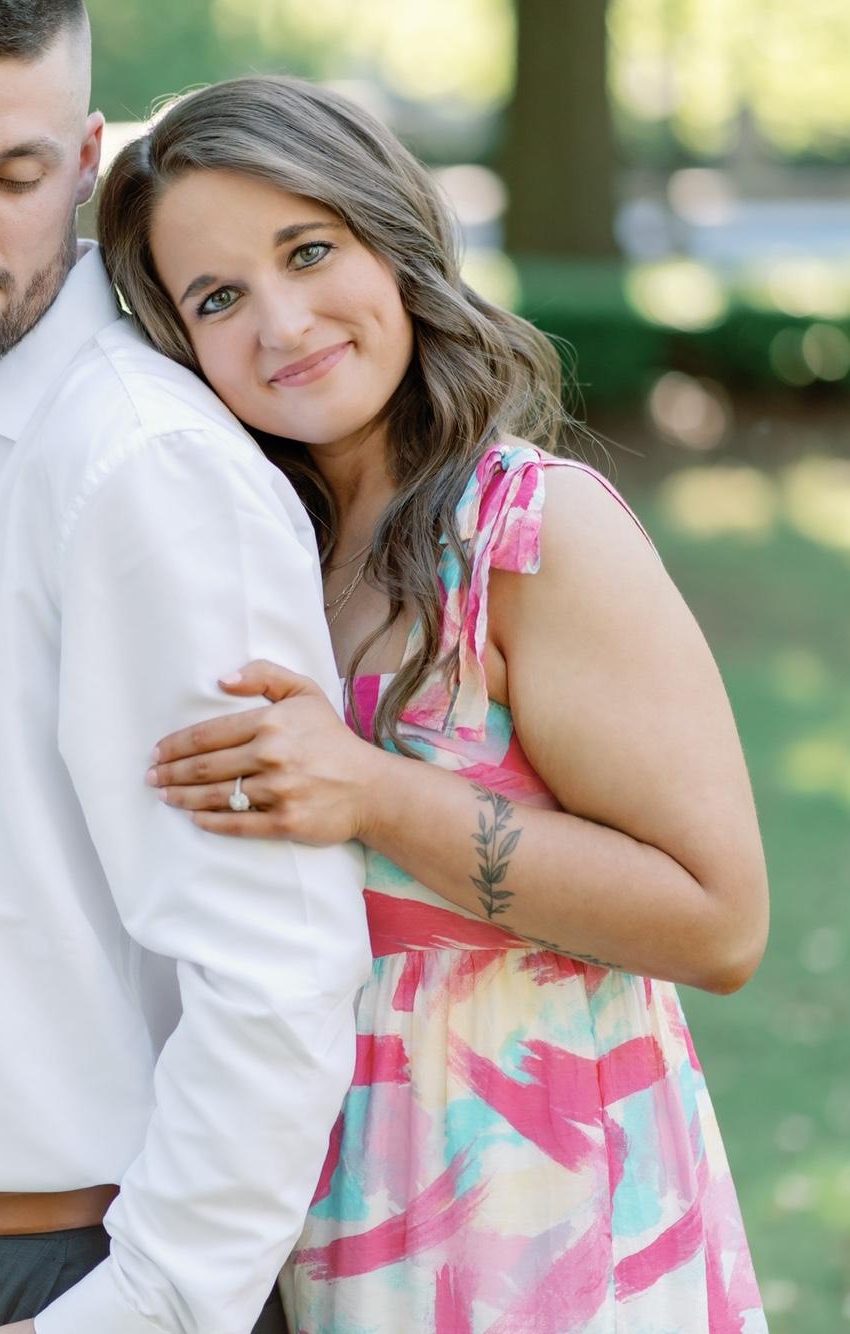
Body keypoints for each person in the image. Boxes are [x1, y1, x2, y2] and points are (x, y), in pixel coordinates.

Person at [98, 75, 770, 1332]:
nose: (282, 322)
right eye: (217, 297)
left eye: (308, 250)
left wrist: (374, 791)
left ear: (390, 239)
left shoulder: (530, 530)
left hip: (547, 1241)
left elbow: (717, 919)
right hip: (316, 1230)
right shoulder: (254, 561)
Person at [0, 9, 372, 1334]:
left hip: (81, 1281)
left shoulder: (136, 467)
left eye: (16, 173)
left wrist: (137, 1306)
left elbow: (278, 970)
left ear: (87, 162)